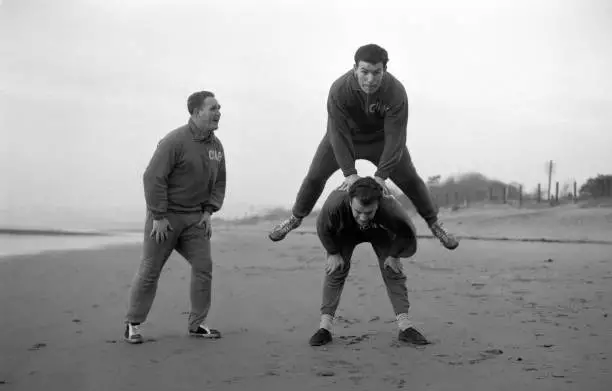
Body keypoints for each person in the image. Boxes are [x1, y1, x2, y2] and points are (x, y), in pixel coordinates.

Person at [269, 43, 458, 250]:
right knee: (314, 177)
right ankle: (295, 218)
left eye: (377, 72)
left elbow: (396, 137)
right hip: (344, 138)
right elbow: (337, 132)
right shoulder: (339, 90)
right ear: (354, 68)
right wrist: (349, 174)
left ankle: (434, 224)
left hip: (380, 141)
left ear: (384, 70)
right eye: (364, 71)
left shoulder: (395, 92)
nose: (370, 79)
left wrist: (381, 176)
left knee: (411, 179)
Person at [123, 91, 226, 344]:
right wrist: (158, 215)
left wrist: (208, 211)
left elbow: (219, 181)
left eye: (219, 108)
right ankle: (133, 324)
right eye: (212, 108)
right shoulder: (175, 141)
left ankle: (197, 323)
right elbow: (152, 177)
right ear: (195, 112)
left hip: (195, 219)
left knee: (204, 267)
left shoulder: (216, 146)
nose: (218, 112)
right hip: (166, 219)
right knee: (150, 269)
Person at [309, 177, 430, 347]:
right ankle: (324, 328)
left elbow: (407, 232)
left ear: (379, 204)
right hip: (346, 232)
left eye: (369, 212)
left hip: (378, 232)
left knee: (392, 270)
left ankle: (405, 327)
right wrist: (333, 253)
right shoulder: (334, 205)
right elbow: (323, 227)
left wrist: (394, 255)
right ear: (350, 201)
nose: (363, 217)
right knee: (336, 269)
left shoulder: (390, 207)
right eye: (358, 211)